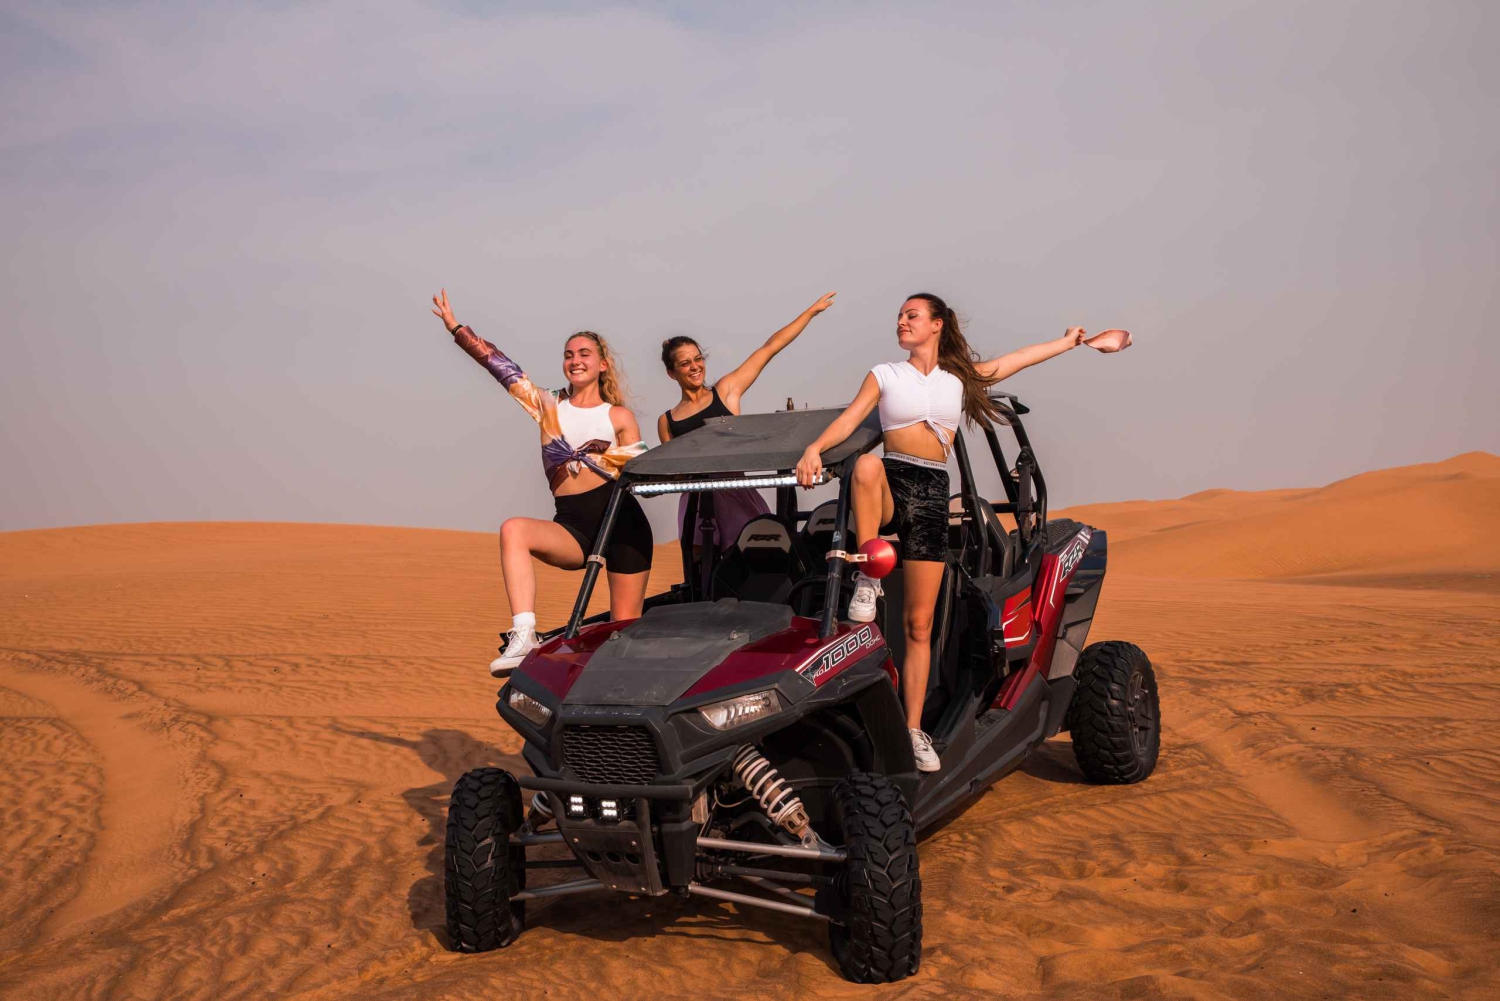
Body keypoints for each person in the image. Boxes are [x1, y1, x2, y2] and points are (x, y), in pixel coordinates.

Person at [795, 293, 1095, 772]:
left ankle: (913, 730)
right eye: (899, 316)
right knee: (865, 466)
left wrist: (1066, 343)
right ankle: (868, 576)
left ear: (936, 324)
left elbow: (1015, 360)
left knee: (919, 626)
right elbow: (849, 420)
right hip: (892, 481)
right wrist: (814, 449)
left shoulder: (959, 377)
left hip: (933, 492)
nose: (901, 321)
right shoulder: (884, 374)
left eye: (911, 315)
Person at [431, 289, 654, 676]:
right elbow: (501, 367)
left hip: (624, 526)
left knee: (622, 638)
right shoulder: (548, 404)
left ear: (602, 364)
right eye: (568, 354)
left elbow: (640, 470)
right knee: (513, 530)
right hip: (573, 527)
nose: (575, 360)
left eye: (584, 353)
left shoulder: (618, 416)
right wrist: (457, 329)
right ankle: (524, 635)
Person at [658, 292, 837, 553]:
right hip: (695, 504)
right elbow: (673, 474)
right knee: (698, 565)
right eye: (685, 363)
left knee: (749, 556)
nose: (695, 367)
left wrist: (810, 313)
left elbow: (769, 348)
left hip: (735, 492)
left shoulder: (726, 391)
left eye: (698, 359)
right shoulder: (667, 420)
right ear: (671, 372)